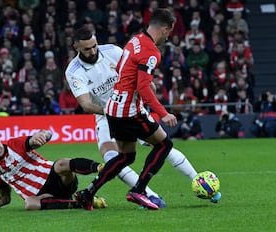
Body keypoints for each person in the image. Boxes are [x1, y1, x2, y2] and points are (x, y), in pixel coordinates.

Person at [72, 9, 211, 211]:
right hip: (129, 110)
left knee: (125, 157)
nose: (168, 37)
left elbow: (121, 68)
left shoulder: (134, 40)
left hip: (113, 109)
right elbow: (144, 88)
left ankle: (87, 193)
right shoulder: (152, 52)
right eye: (169, 33)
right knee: (164, 144)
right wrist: (164, 113)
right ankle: (139, 189)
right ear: (164, 29)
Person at [0, 128, 106, 211]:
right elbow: (4, 199)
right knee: (30, 204)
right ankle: (81, 203)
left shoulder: (15, 144)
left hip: (59, 179)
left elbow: (44, 135)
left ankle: (100, 168)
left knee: (61, 164)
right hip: (44, 196)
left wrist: (41, 135)